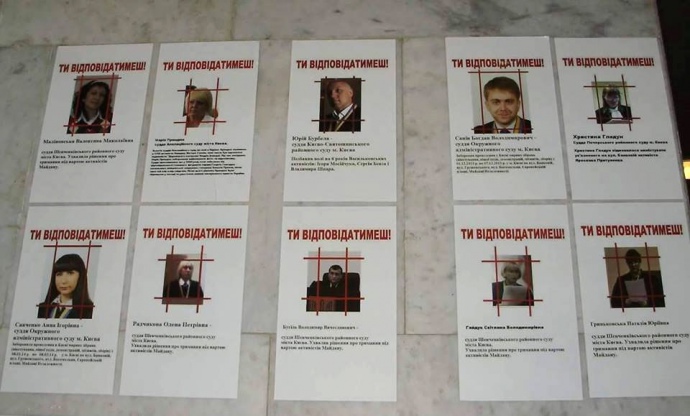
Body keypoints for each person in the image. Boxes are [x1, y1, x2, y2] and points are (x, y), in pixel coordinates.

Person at [37, 254, 94, 319]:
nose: (63, 281)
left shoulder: (89, 311)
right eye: (59, 274)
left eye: (70, 273)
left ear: (80, 276)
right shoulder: (41, 308)